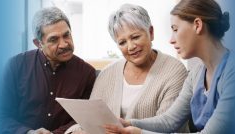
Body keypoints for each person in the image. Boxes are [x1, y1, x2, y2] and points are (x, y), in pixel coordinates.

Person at [104, 0, 235, 133]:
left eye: (175, 29)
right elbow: (169, 121)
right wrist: (129, 123)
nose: (171, 39)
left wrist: (139, 133)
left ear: (197, 25)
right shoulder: (196, 73)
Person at [67, 4, 188, 134]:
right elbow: (89, 122)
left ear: (151, 32)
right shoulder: (107, 74)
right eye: (122, 42)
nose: (130, 47)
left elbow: (170, 127)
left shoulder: (175, 71)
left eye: (135, 37)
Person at [0, 7, 96, 134]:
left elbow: (84, 118)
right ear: (38, 43)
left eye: (66, 35)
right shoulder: (15, 66)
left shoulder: (87, 73)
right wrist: (28, 132)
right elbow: (0, 116)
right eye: (54, 39)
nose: (64, 44)